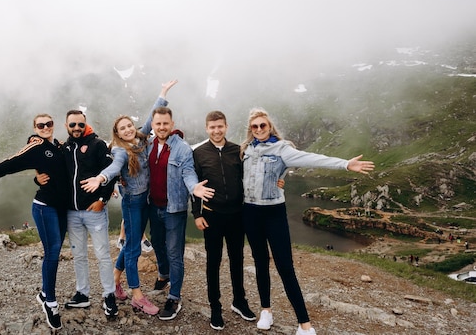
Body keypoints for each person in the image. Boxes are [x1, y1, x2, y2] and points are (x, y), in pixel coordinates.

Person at [240, 107, 374, 335]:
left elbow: (312, 158)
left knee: (285, 267)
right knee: (260, 262)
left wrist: (345, 164)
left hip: (274, 213)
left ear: (269, 127)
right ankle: (266, 310)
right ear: (250, 130)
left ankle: (305, 324)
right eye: (255, 126)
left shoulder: (283, 149)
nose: (260, 129)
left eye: (263, 125)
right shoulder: (245, 151)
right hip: (250, 213)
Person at [0, 114, 67, 330]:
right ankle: (51, 303)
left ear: (53, 126)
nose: (45, 127)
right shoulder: (35, 146)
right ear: (35, 128)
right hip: (45, 207)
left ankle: (45, 293)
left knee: (55, 251)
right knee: (53, 252)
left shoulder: (58, 145)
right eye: (41, 125)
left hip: (62, 208)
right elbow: (9, 164)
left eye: (49, 124)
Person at [80, 80, 177, 316]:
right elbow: (115, 168)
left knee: (131, 243)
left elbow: (150, 117)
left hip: (145, 202)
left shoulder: (141, 138)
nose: (127, 130)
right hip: (133, 203)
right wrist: (101, 179)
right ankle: (137, 296)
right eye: (122, 128)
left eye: (128, 126)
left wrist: (163, 93)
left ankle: (114, 281)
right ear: (117, 133)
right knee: (133, 249)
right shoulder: (120, 150)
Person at [192, 110, 282, 330]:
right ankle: (215, 307)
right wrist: (197, 214)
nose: (216, 130)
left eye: (220, 126)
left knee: (237, 259)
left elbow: (254, 174)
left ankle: (239, 301)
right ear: (207, 128)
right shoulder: (199, 153)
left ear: (226, 126)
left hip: (237, 215)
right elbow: (194, 186)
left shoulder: (238, 151)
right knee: (213, 262)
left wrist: (277, 180)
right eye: (212, 127)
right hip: (211, 215)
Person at [147, 106, 215, 320]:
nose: (161, 127)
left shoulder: (182, 148)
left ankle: (174, 296)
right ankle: (164, 274)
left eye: (165, 123)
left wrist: (194, 187)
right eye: (158, 123)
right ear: (153, 125)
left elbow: (188, 173)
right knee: (157, 244)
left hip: (173, 209)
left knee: (175, 253)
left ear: (172, 124)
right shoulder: (147, 145)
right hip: (153, 206)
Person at [59, 110, 119, 317]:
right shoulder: (64, 148)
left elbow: (111, 173)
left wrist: (102, 200)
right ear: (66, 125)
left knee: (103, 255)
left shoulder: (98, 145)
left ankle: (109, 295)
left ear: (86, 125)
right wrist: (37, 177)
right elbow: (53, 172)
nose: (77, 128)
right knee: (79, 255)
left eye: (80, 124)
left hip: (95, 212)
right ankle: (82, 294)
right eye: (73, 124)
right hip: (72, 213)